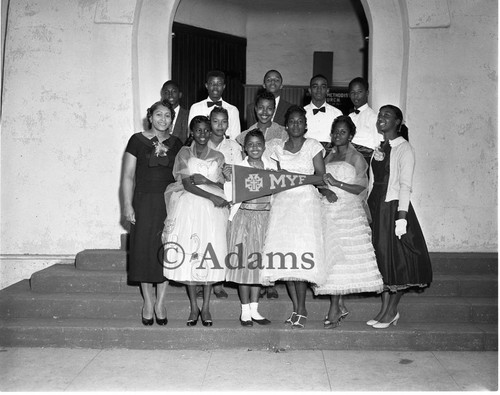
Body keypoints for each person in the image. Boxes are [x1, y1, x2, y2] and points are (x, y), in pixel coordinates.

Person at [260, 105, 329, 329]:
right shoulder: (277, 148)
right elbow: (273, 177)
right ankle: (296, 308)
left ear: (305, 125)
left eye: (300, 121)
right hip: (283, 205)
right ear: (286, 125)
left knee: (301, 258)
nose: (296, 125)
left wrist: (294, 177)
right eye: (292, 122)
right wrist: (285, 178)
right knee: (286, 259)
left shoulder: (313, 146)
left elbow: (320, 177)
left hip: (305, 206)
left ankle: (302, 309)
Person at [313, 116, 384, 328]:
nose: (337, 135)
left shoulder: (356, 157)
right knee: (332, 259)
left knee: (341, 260)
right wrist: (326, 190)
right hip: (327, 208)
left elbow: (361, 188)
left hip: (348, 209)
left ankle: (334, 308)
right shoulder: (328, 156)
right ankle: (339, 305)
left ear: (350, 135)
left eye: (342, 132)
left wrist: (337, 184)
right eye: (335, 132)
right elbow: (318, 179)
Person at [367, 105, 432, 329]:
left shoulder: (405, 148)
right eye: (380, 114)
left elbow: (405, 186)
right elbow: (373, 182)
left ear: (398, 122)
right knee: (382, 260)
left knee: (396, 260)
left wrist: (401, 218)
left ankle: (392, 310)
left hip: (392, 208)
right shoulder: (381, 146)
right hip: (376, 206)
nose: (381, 118)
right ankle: (384, 310)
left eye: (387, 115)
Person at [162, 115, 230, 327]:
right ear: (192, 132)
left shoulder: (218, 156)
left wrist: (210, 185)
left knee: (209, 252)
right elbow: (188, 184)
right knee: (191, 253)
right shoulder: (184, 153)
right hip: (190, 205)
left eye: (206, 130)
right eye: (198, 130)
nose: (202, 134)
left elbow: (221, 186)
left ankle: (207, 306)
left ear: (210, 132)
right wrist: (211, 196)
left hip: (212, 211)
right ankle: (193, 306)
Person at [122, 100, 183, 326]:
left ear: (172, 119)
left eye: (167, 116)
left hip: (168, 202)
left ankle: (161, 302)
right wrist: (127, 205)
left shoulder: (177, 143)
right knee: (144, 251)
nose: (163, 120)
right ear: (150, 116)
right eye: (159, 115)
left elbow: (182, 175)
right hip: (143, 202)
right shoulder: (136, 140)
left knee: (165, 250)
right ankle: (148, 301)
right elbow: (128, 175)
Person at [226, 129, 275, 326]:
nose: (255, 147)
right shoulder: (238, 168)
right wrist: (229, 179)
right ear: (245, 148)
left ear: (264, 146)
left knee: (258, 268)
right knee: (244, 266)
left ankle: (255, 309)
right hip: (244, 220)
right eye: (250, 144)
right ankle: (244, 309)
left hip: (264, 220)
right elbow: (230, 196)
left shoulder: (272, 167)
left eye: (258, 144)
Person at [193, 106, 242, 299]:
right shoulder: (201, 143)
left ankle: (218, 281)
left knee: (220, 238)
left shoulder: (234, 147)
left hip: (225, 196)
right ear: (209, 121)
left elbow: (240, 173)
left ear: (228, 124)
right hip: (203, 196)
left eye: (223, 122)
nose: (219, 125)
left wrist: (230, 176)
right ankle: (199, 278)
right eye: (215, 121)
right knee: (201, 236)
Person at [188, 70, 241, 140]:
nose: (215, 87)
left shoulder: (233, 110)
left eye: (219, 84)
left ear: (224, 86)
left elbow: (236, 138)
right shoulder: (195, 108)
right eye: (212, 84)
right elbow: (191, 135)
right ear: (206, 85)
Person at [347, 77, 382, 163]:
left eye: (359, 92)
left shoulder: (373, 117)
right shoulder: (349, 117)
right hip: (347, 161)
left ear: (367, 93)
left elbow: (379, 144)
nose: (356, 96)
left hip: (364, 162)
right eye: (352, 92)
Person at [304, 74, 342, 148]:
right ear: (310, 90)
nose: (319, 90)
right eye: (315, 86)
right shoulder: (302, 113)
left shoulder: (337, 113)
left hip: (330, 154)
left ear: (327, 90)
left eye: (323, 87)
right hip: (307, 154)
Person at [161, 80, 189, 144]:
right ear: (162, 95)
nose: (170, 95)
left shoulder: (188, 115)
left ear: (180, 94)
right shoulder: (158, 116)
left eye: (174, 91)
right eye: (166, 92)